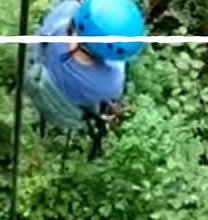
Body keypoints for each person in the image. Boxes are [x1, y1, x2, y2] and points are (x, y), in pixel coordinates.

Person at [24, 0, 146, 140]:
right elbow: (118, 68)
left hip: (41, 84)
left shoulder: (60, 23)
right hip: (66, 113)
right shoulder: (111, 82)